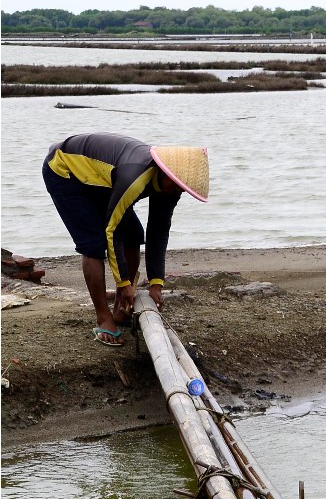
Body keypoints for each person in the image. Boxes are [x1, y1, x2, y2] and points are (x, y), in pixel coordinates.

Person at [43, 133, 209, 346]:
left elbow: (158, 232)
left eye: (183, 188)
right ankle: (104, 318)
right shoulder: (135, 176)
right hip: (64, 170)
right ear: (164, 170)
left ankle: (121, 306)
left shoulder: (171, 187)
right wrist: (124, 282)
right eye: (176, 184)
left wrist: (156, 283)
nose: (178, 190)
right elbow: (112, 230)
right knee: (94, 244)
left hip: (101, 179)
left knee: (133, 235)